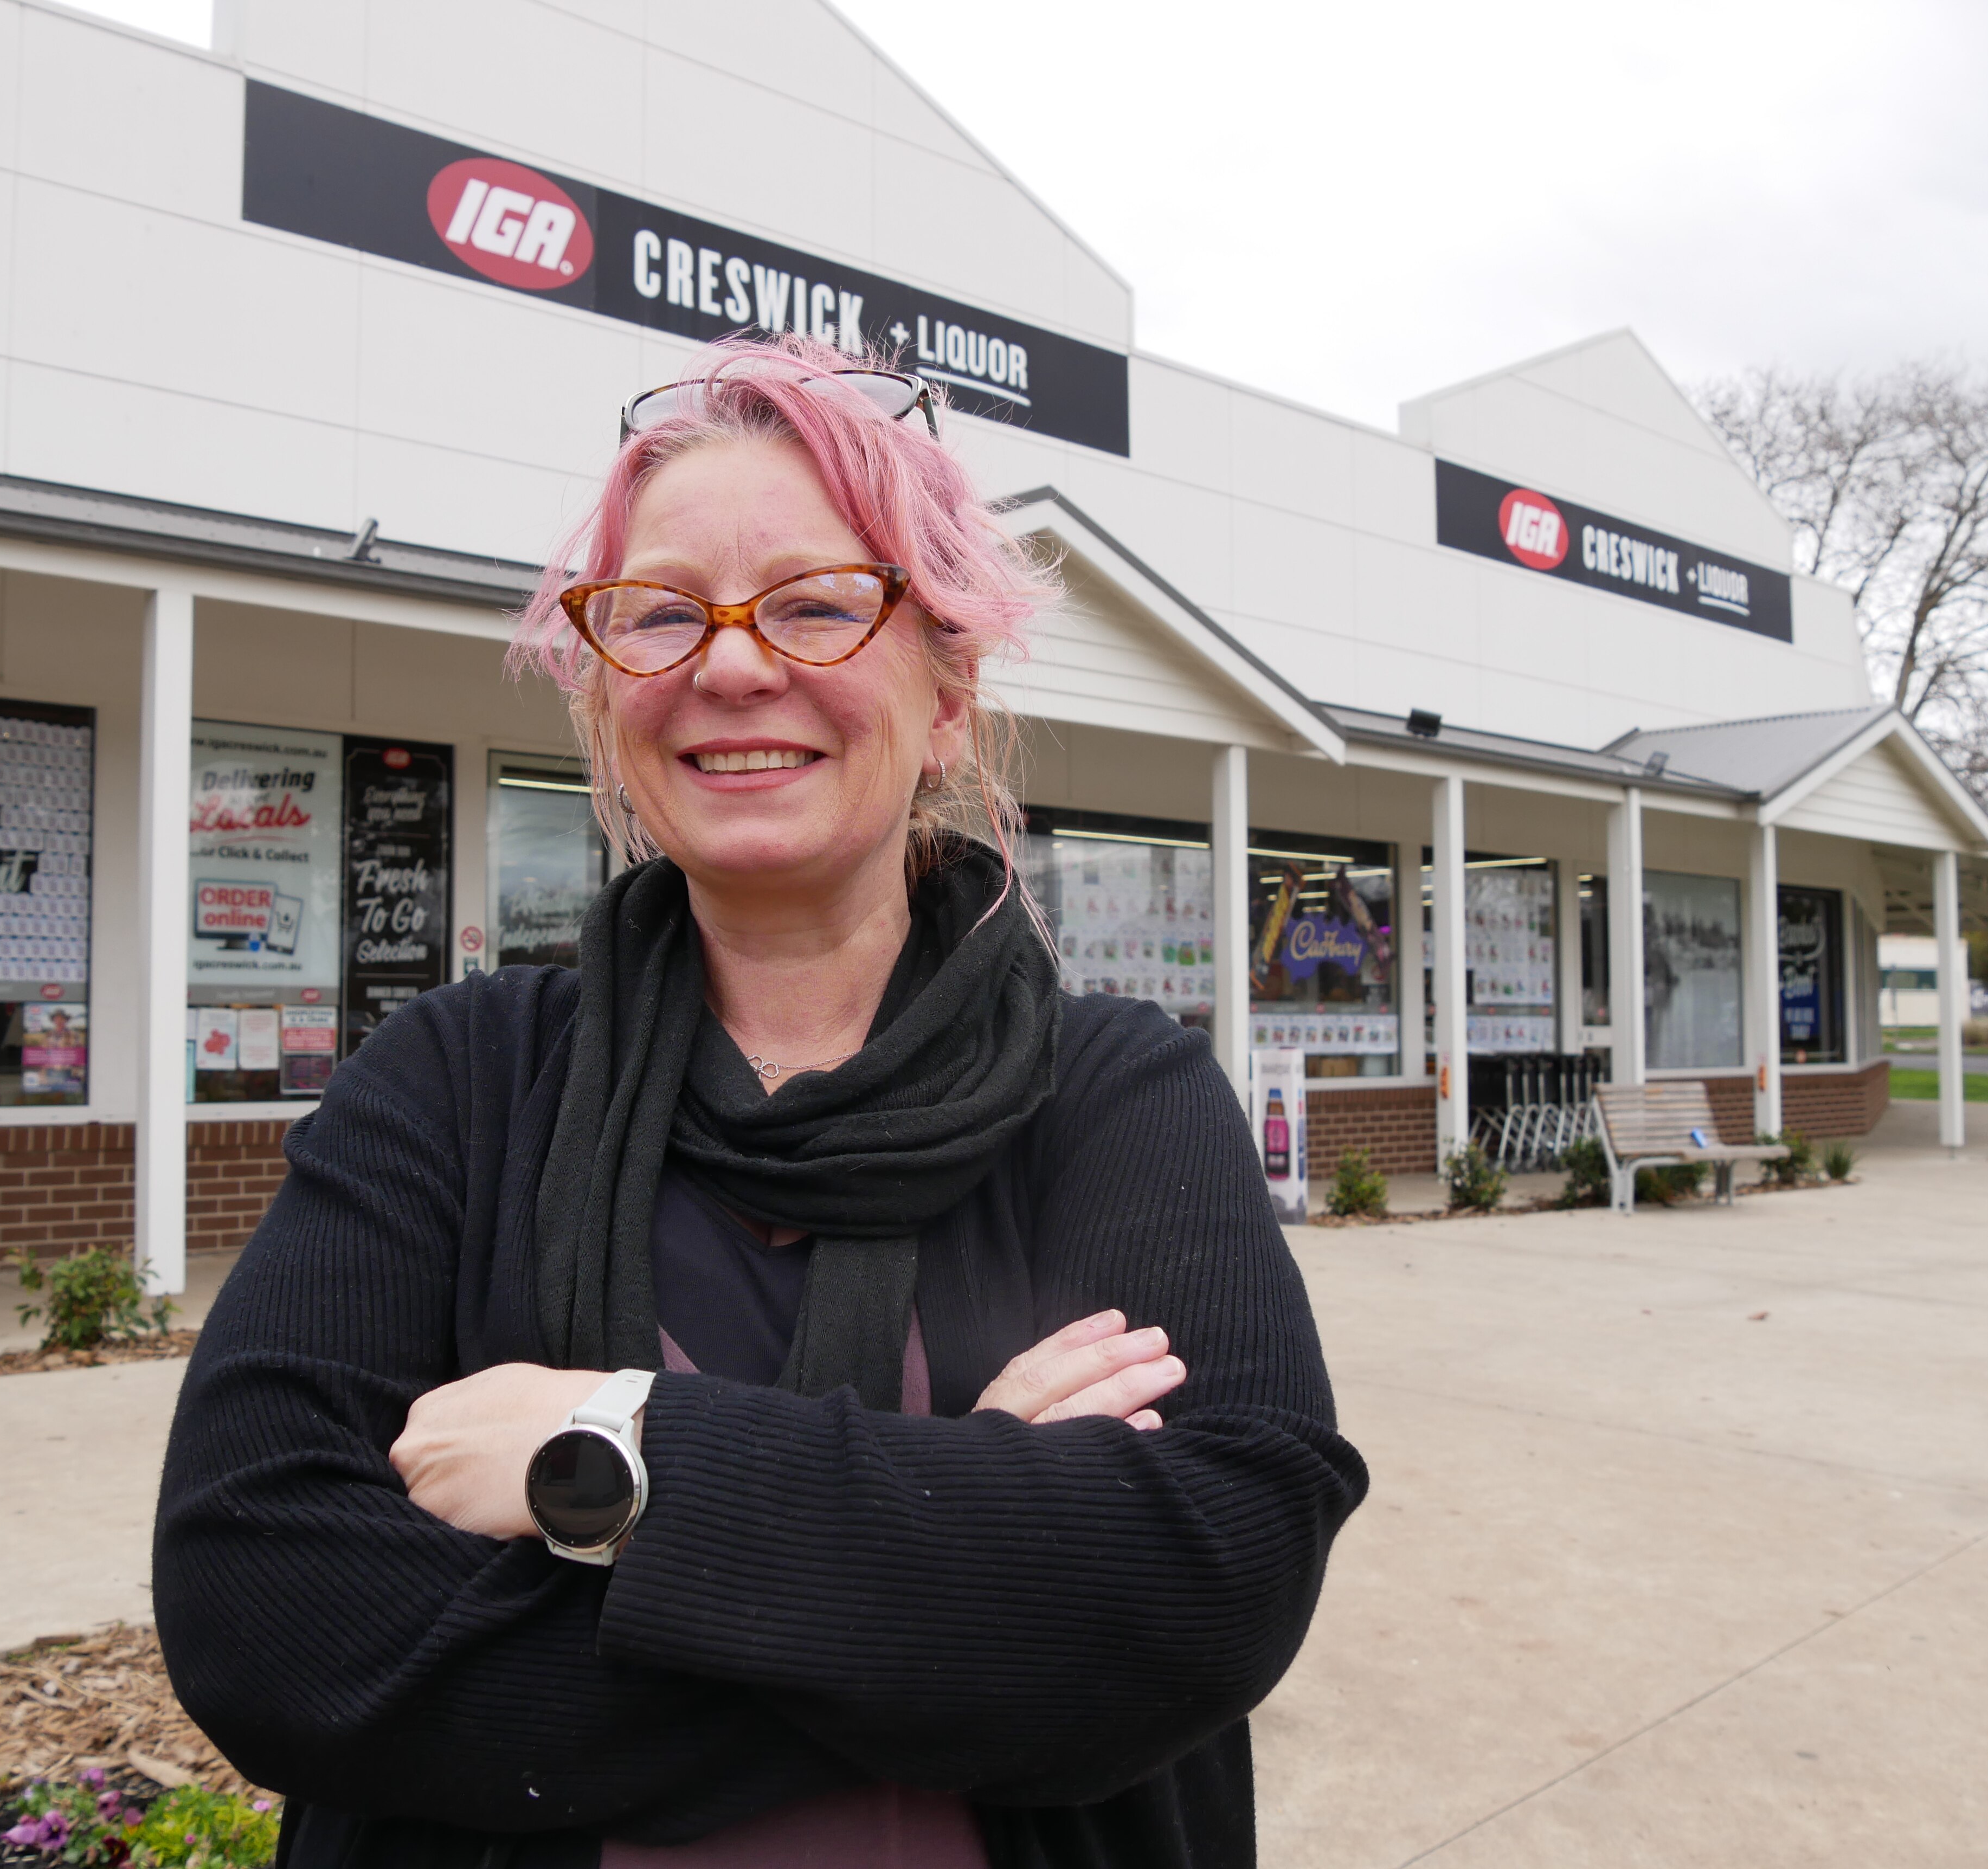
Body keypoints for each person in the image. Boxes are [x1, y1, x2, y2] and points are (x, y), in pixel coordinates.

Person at [155, 335, 1368, 1869]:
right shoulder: (451, 1082)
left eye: (814, 604)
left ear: (944, 691)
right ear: (606, 705)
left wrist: (612, 1451)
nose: (733, 664)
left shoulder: (1117, 1093)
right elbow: (263, 1612)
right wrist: (972, 1544)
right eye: (662, 615)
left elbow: (1214, 1575)